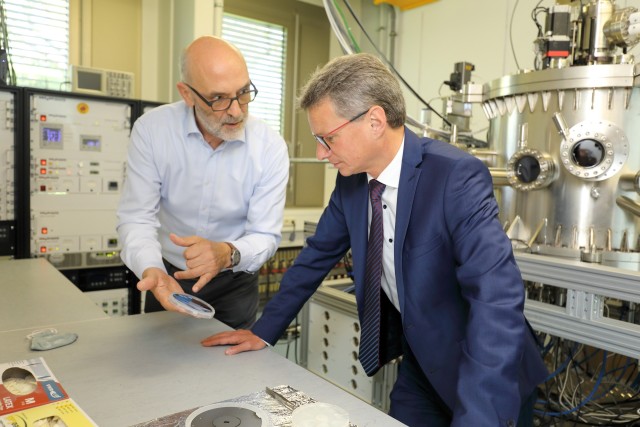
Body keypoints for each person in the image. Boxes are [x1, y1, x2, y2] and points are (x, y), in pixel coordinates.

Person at [201, 52, 548, 426]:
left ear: (375, 121)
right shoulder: (352, 181)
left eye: (327, 138)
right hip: (421, 367)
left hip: (485, 372)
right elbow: (316, 256)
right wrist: (264, 331)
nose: (320, 154)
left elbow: (495, 300)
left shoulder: (455, 178)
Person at [116, 36, 289, 329]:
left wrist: (228, 253)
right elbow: (136, 218)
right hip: (168, 277)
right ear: (187, 94)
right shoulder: (152, 131)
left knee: (233, 370)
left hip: (235, 281)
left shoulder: (269, 147)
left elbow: (265, 234)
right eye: (219, 98)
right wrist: (153, 269)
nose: (236, 111)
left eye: (243, 92)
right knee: (160, 365)